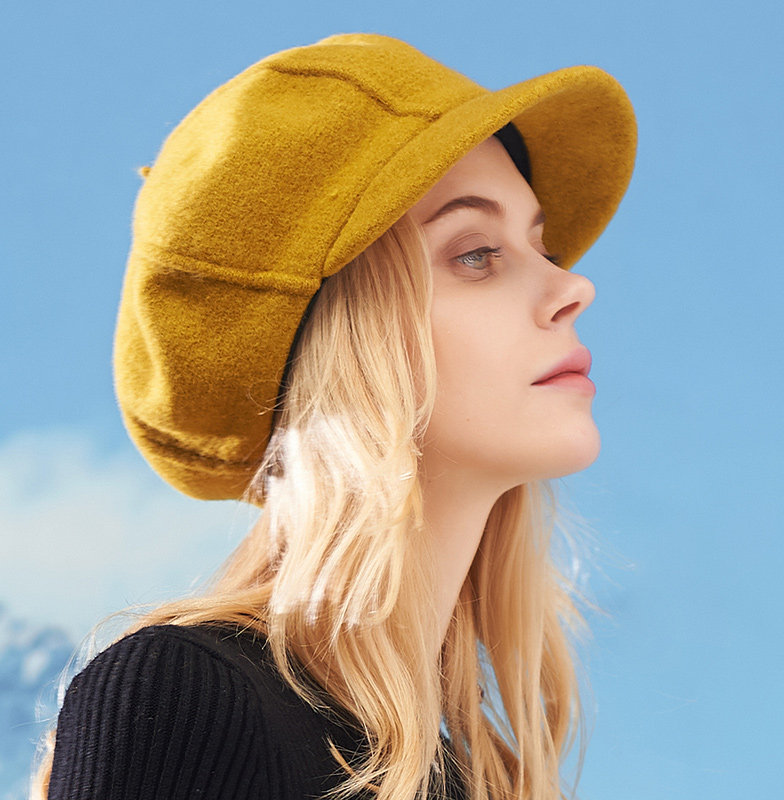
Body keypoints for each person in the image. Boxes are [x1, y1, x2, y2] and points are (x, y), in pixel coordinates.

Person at [33, 33, 636, 800]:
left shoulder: (478, 778)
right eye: (476, 253)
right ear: (340, 347)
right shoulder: (185, 698)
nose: (572, 287)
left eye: (541, 247)